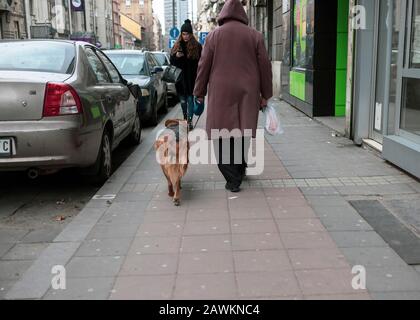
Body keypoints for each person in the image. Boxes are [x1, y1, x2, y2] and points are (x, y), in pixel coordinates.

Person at [193, 0, 273, 193]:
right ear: (242, 15)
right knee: (243, 131)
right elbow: (265, 67)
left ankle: (232, 178)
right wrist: (266, 94)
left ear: (222, 15)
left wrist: (199, 92)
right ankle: (239, 168)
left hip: (221, 91)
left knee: (220, 134)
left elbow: (203, 66)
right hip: (248, 90)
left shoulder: (213, 36)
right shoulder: (255, 36)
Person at [170, 19, 203, 131]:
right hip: (180, 79)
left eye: (187, 34)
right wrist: (176, 57)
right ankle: (185, 117)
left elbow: (200, 63)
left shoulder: (197, 46)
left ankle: (189, 121)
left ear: (191, 34)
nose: (185, 36)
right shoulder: (177, 46)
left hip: (191, 79)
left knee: (190, 101)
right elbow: (171, 62)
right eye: (183, 34)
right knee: (183, 102)